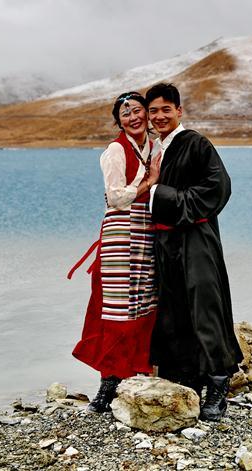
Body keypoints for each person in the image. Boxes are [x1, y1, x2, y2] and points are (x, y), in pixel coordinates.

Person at [145, 82, 243, 422]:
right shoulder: (157, 149)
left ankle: (218, 385)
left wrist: (164, 195)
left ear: (179, 111)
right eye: (153, 111)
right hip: (166, 243)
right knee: (173, 308)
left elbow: (219, 186)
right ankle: (186, 379)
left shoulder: (196, 143)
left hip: (197, 239)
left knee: (205, 306)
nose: (159, 116)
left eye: (165, 110)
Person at [68, 91, 163, 413]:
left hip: (147, 232)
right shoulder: (115, 150)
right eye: (126, 114)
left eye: (138, 111)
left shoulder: (156, 146)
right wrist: (149, 182)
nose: (134, 118)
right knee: (117, 307)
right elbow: (116, 198)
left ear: (147, 115)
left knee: (145, 301)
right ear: (118, 121)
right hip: (121, 233)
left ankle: (137, 370)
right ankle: (108, 382)